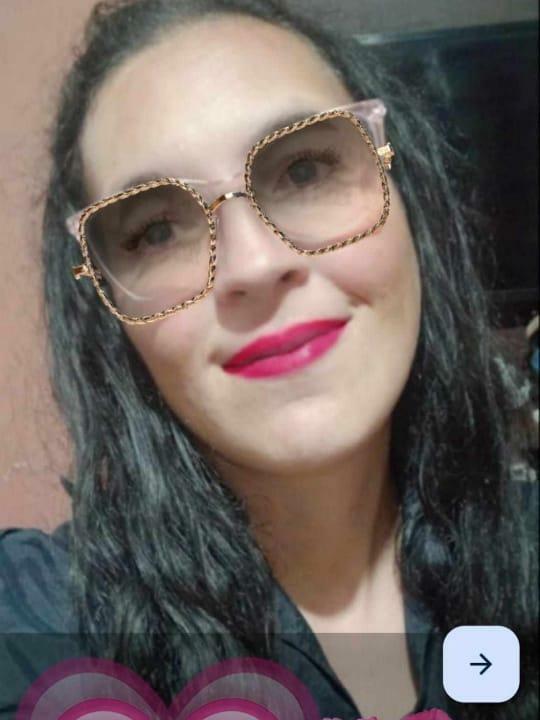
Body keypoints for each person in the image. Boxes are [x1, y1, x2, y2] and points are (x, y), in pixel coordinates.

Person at [0, 1, 537, 719]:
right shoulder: (35, 629)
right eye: (156, 231)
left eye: (305, 169)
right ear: (106, 310)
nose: (253, 264)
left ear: (409, 197)